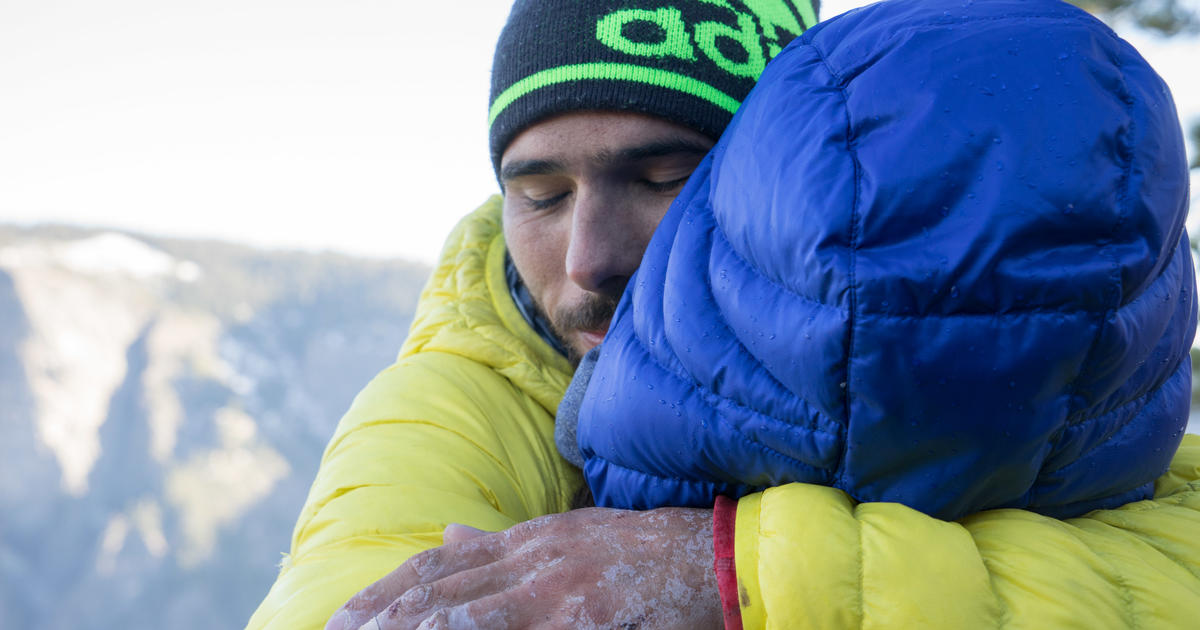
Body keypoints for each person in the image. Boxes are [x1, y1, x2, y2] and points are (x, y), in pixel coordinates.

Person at [245, 1, 1200, 629]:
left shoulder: (934, 357)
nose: (589, 260)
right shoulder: (464, 399)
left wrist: (733, 569)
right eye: (537, 195)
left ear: (784, 183)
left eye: (667, 177)